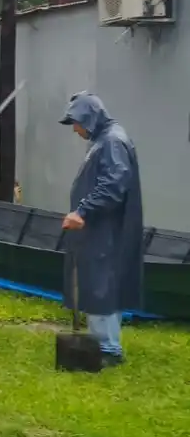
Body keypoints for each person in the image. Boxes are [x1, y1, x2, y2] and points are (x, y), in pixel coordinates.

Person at [60, 92, 143, 366]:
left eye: (76, 122)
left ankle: (108, 349)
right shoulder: (105, 139)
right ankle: (108, 344)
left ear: (89, 118)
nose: (74, 129)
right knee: (104, 283)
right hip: (103, 227)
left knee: (100, 284)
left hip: (104, 229)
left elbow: (113, 183)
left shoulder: (111, 141)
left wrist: (83, 211)